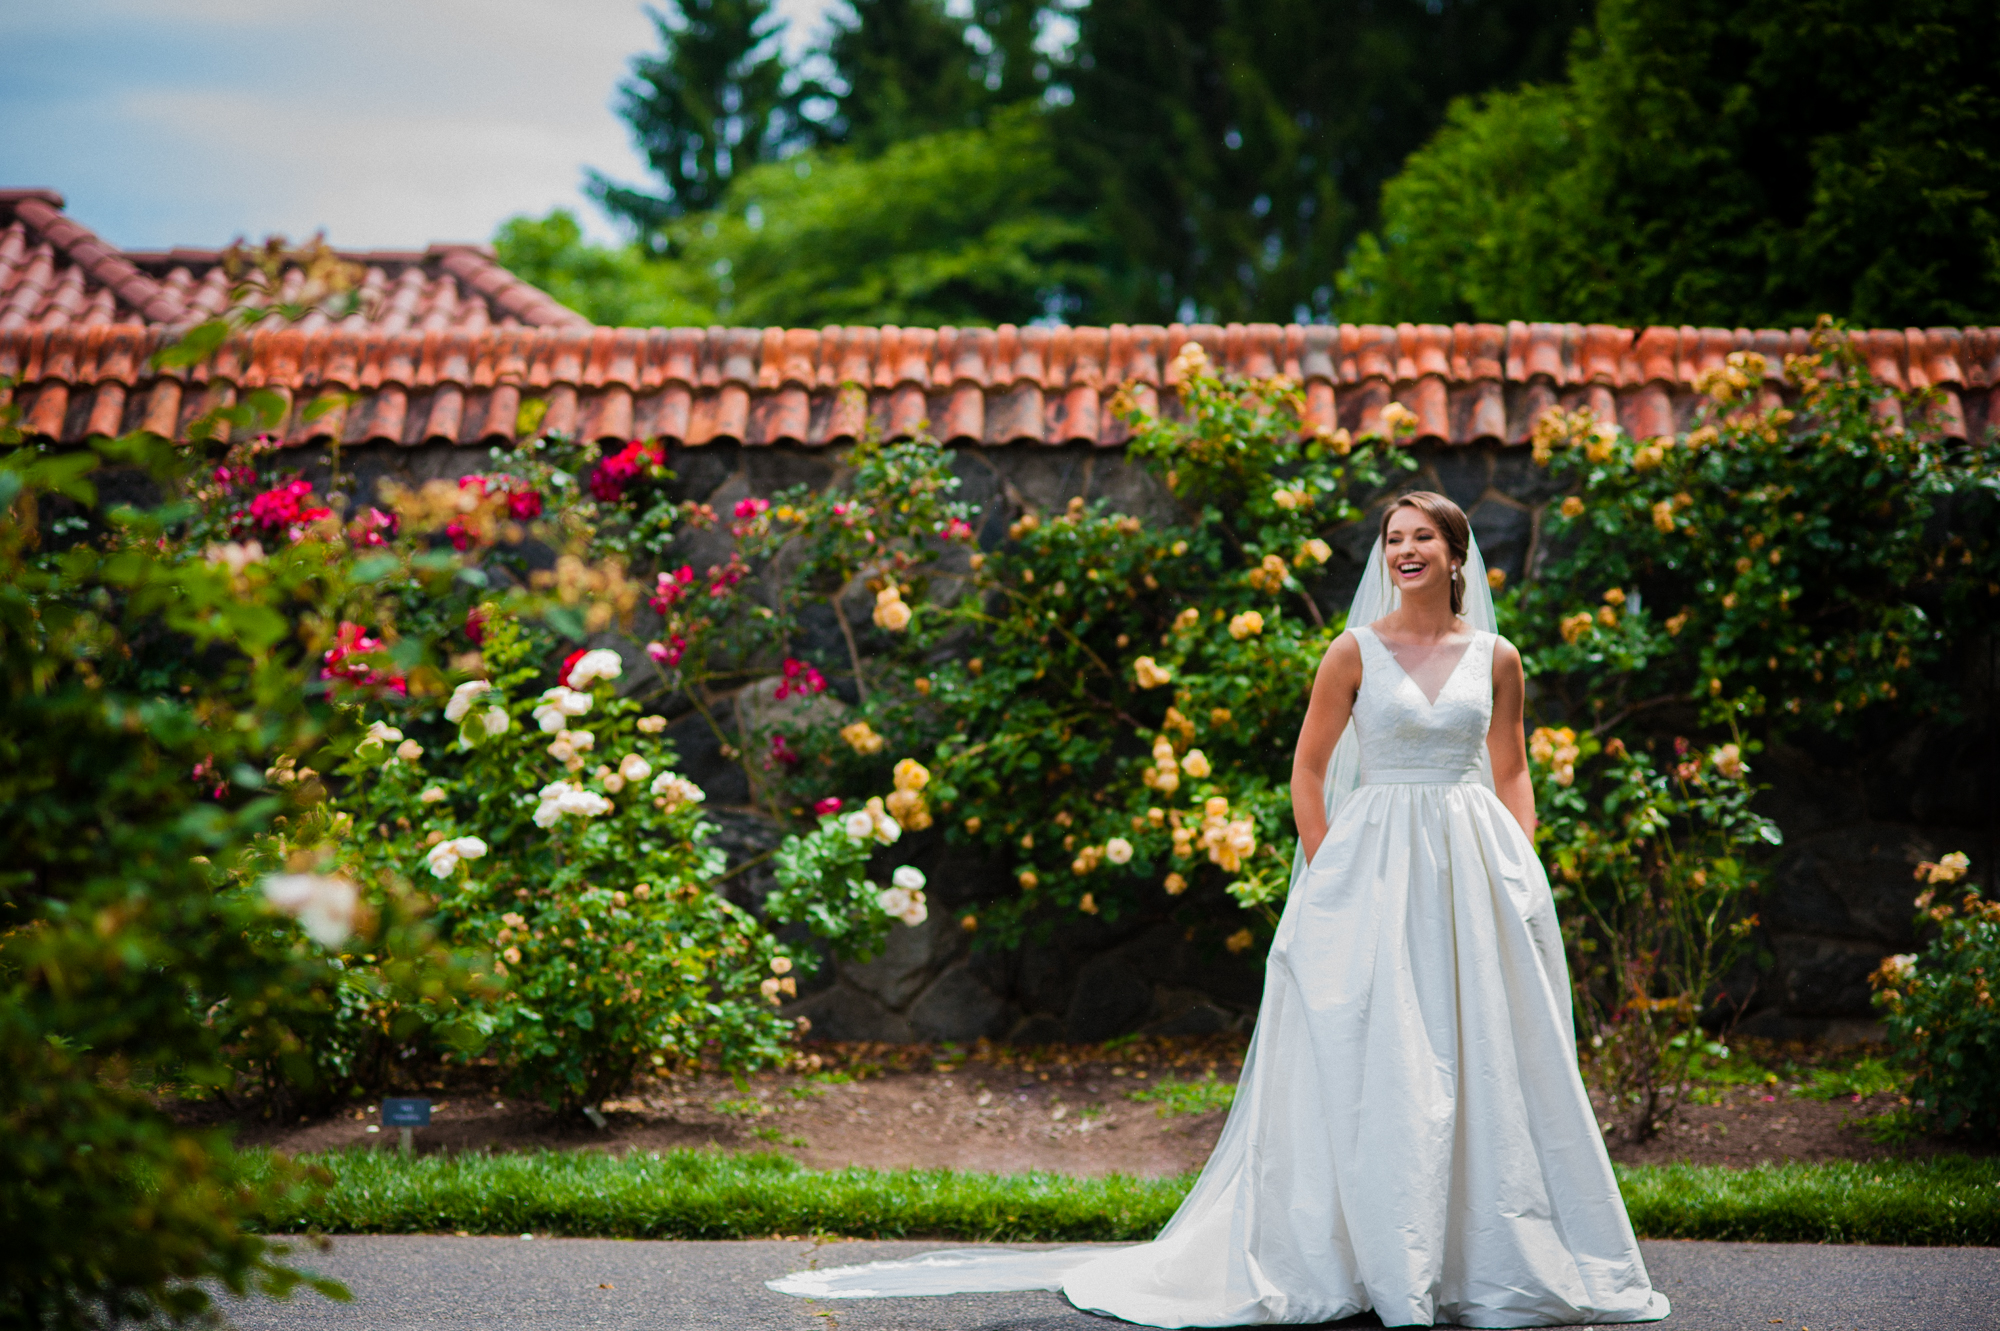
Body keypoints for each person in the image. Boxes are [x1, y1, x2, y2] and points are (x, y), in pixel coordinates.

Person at [770, 492, 1669, 1328]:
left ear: (1457, 554)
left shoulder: (1496, 657)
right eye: (1392, 540)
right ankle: (1372, 1252)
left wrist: (1522, 864)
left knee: (1479, 1053)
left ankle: (1477, 1255)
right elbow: (1309, 771)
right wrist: (1330, 870)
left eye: (1421, 539)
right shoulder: (1352, 651)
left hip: (1474, 867)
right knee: (1382, 1050)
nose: (1404, 551)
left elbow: (1509, 767)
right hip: (1373, 864)